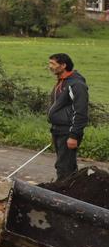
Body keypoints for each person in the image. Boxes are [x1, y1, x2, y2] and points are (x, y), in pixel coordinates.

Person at [47, 52, 89, 180]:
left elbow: (81, 111)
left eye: (53, 64)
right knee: (64, 165)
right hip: (58, 130)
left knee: (65, 168)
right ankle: (69, 191)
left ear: (63, 65)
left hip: (68, 131)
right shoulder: (62, 82)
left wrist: (74, 135)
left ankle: (66, 196)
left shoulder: (76, 85)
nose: (50, 66)